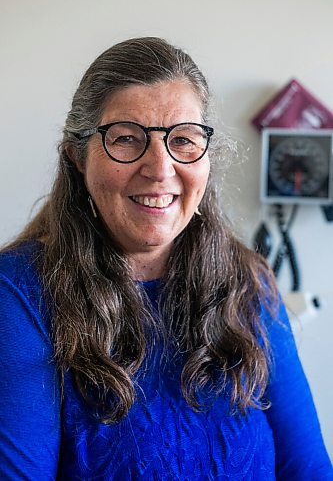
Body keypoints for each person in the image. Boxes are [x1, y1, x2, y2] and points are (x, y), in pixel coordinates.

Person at [0, 37, 332, 480]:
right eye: (125, 138)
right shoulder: (20, 294)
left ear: (206, 157)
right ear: (77, 157)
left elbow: (307, 468)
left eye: (184, 140)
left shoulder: (250, 282)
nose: (160, 168)